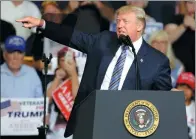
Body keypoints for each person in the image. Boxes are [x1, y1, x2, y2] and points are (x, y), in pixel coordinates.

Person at [16, 5, 172, 137]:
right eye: (118, 21)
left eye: (125, 21)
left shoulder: (157, 61)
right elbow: (72, 36)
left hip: (128, 128)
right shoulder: (104, 40)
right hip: (90, 121)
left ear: (139, 26)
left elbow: (161, 102)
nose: (119, 25)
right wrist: (42, 24)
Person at [165, 1, 195, 75]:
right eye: (191, 2)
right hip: (178, 70)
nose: (194, 5)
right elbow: (167, 40)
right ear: (185, 4)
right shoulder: (176, 19)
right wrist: (184, 25)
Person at [176, 72, 195, 139]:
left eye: (188, 87)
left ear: (193, 92)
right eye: (181, 86)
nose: (184, 90)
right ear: (176, 88)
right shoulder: (169, 106)